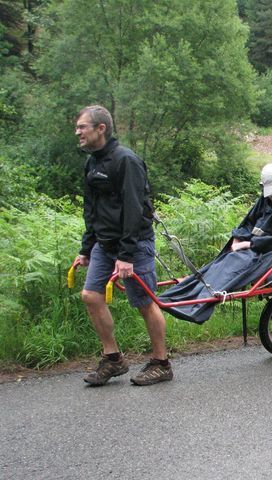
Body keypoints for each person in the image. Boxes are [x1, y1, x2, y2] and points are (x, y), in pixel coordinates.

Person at [74, 105, 172, 386]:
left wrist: (127, 255)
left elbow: (133, 208)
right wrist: (86, 247)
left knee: (144, 303)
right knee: (91, 296)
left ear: (100, 128)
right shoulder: (92, 162)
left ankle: (161, 362)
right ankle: (113, 358)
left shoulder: (126, 160)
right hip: (104, 245)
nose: (77, 132)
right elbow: (91, 209)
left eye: (82, 127)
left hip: (135, 244)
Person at [159, 163, 272, 324]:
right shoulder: (268, 197)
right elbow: (250, 220)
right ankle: (180, 294)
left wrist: (249, 244)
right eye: (271, 194)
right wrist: (239, 237)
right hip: (261, 241)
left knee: (238, 264)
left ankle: (198, 306)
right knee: (226, 258)